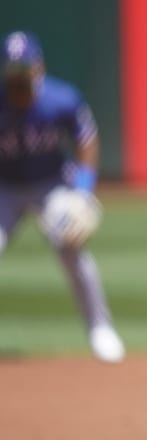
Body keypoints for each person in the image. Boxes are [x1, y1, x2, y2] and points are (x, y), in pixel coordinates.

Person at [0, 30, 124, 363]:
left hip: (51, 184)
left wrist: (82, 191)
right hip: (5, 188)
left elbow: (87, 139)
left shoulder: (60, 99)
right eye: (12, 73)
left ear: (37, 69)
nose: (18, 81)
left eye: (23, 72)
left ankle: (100, 329)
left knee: (70, 247)